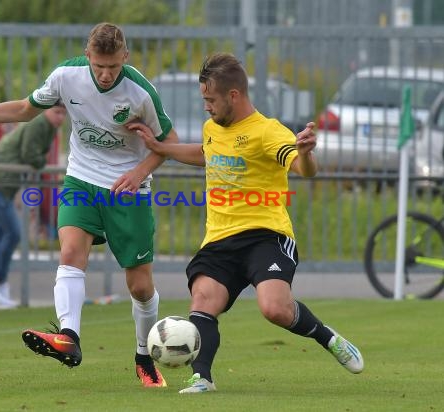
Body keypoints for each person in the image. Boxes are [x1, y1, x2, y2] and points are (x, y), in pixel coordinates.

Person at [0, 22, 178, 387]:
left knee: (140, 286)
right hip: (81, 179)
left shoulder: (140, 91)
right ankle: (69, 338)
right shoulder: (66, 75)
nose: (106, 74)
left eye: (113, 66)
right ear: (88, 56)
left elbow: (169, 143)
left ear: (125, 57)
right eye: (98, 66)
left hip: (128, 190)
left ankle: (144, 354)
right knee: (70, 252)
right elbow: (23, 109)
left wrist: (140, 172)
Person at [129, 52, 364, 394]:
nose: (206, 107)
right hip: (220, 240)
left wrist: (306, 152)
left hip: (266, 236)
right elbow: (205, 153)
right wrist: (161, 148)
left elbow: (303, 169)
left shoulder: (268, 132)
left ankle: (329, 338)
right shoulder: (213, 128)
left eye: (210, 100)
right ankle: (202, 378)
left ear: (233, 96)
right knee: (203, 299)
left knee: (275, 309)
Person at [0, 106, 67, 309]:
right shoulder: (38, 123)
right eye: (56, 112)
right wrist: (40, 162)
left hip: (2, 183)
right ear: (46, 111)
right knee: (12, 233)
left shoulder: (50, 127)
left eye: (63, 113)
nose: (60, 117)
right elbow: (30, 155)